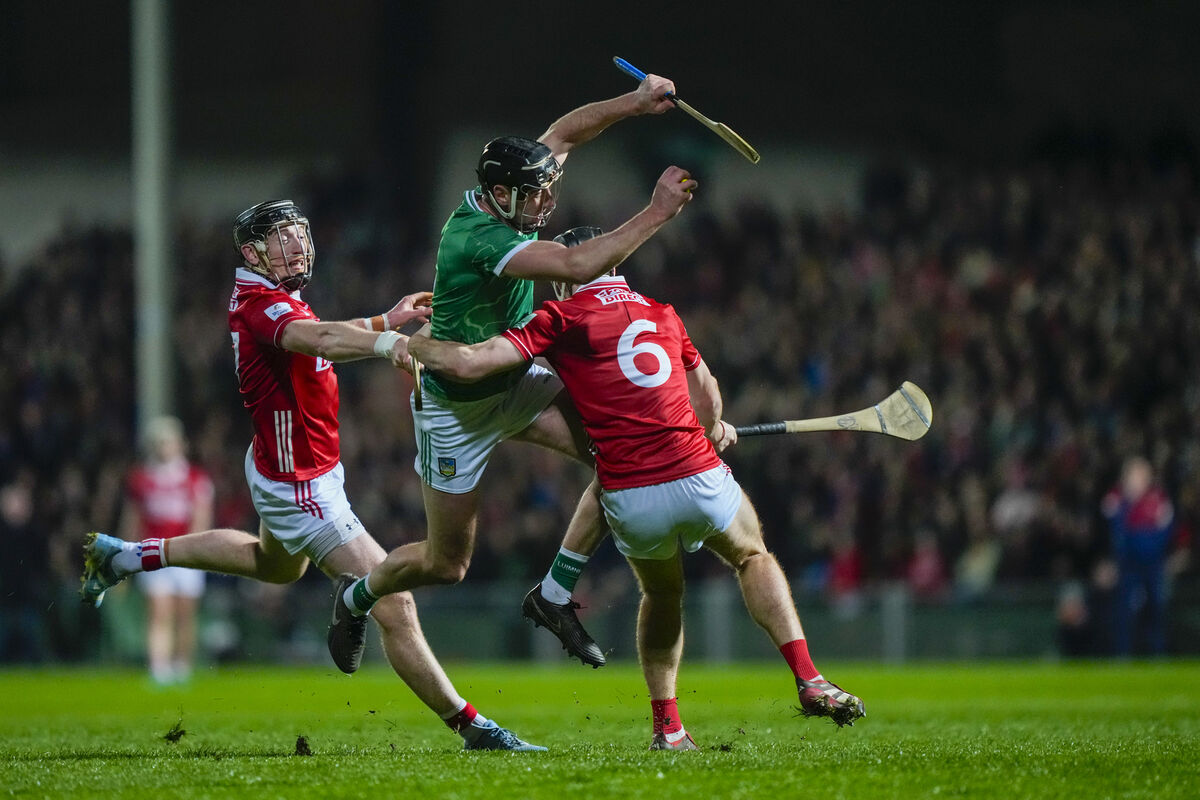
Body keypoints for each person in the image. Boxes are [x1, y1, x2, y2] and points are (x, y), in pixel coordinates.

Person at [81, 200, 544, 751]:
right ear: (252, 253)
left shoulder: (275, 297)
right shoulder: (260, 305)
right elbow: (319, 340)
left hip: (283, 467)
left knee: (272, 564)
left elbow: (320, 335)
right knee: (395, 602)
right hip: (301, 485)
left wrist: (382, 321)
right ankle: (473, 727)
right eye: (283, 239)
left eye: (300, 234)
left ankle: (125, 556)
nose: (298, 246)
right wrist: (392, 342)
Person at [407, 226, 866, 748]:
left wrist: (417, 346)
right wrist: (715, 428)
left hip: (631, 495)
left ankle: (668, 728)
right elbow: (709, 397)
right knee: (752, 557)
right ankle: (809, 678)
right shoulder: (662, 312)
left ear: (567, 275)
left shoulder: (559, 316)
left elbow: (479, 362)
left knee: (662, 591)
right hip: (696, 472)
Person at [328, 72, 693, 671]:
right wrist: (656, 213)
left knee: (623, 458)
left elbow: (566, 132)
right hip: (458, 403)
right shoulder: (481, 237)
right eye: (536, 197)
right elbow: (576, 263)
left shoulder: (513, 192)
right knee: (447, 565)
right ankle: (356, 594)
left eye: (548, 191)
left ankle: (554, 595)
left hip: (517, 378)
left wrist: (633, 102)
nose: (548, 205)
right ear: (501, 194)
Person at [119, 416, 214, 685]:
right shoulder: (140, 479)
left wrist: (197, 552)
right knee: (158, 611)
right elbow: (132, 518)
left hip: (186, 553)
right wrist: (126, 554)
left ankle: (181, 666)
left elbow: (201, 518)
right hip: (152, 552)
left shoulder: (195, 478)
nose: (163, 447)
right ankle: (159, 668)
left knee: (185, 612)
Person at [1101, 456, 1175, 656]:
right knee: (1124, 613)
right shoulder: (1116, 499)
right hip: (1127, 566)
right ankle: (1122, 657)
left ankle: (1157, 655)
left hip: (1152, 565)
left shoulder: (1158, 500)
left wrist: (1148, 549)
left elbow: (1165, 533)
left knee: (1155, 611)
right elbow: (1113, 532)